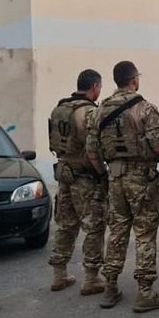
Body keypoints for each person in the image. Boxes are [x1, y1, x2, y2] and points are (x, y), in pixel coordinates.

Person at [86, 61, 159, 312]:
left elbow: (92, 152)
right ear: (134, 80)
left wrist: (106, 174)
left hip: (115, 178)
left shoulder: (99, 111)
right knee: (145, 233)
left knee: (117, 231)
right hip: (141, 178)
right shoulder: (145, 108)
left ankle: (110, 287)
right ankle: (145, 291)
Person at [48, 69, 108, 295]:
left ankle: (59, 275)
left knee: (65, 224)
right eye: (99, 87)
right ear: (94, 87)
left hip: (64, 172)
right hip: (84, 176)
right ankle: (91, 278)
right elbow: (93, 149)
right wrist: (102, 173)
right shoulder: (89, 112)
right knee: (94, 226)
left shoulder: (59, 109)